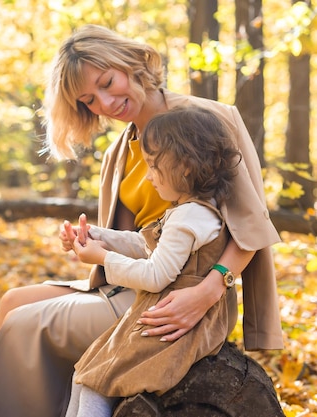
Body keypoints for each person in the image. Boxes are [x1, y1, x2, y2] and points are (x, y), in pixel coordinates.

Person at [0, 24, 282, 417]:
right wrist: (89, 243)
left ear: (132, 63)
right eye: (89, 100)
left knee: (26, 324)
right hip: (140, 281)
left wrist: (206, 292)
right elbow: (135, 240)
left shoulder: (207, 119)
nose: (105, 103)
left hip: (184, 294)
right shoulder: (119, 152)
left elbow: (251, 226)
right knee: (13, 302)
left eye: (107, 83)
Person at [64, 105, 241, 417]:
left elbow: (155, 275)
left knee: (96, 379)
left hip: (176, 324)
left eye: (153, 166)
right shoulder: (188, 209)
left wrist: (102, 257)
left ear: (185, 166)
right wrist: (96, 234)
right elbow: (145, 244)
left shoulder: (191, 216)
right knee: (85, 374)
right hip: (157, 313)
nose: (147, 176)